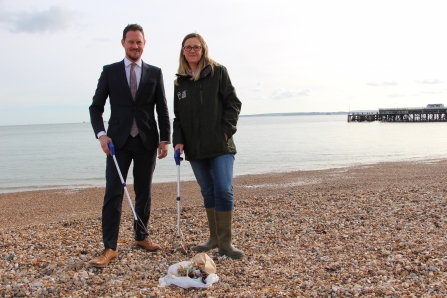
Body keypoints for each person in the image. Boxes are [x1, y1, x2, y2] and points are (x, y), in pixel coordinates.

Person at [89, 24, 171, 267]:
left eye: (139, 42)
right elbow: (96, 107)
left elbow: (162, 109)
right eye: (131, 42)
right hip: (118, 143)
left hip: (147, 141)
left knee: (143, 191)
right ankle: (110, 247)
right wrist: (101, 135)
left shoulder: (155, 73)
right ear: (123, 43)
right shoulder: (110, 71)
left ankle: (141, 236)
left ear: (144, 44)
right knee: (113, 192)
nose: (135, 46)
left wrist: (164, 139)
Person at [172, 33, 244, 259]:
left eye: (196, 47)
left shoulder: (218, 72)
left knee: (224, 189)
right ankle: (214, 238)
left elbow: (233, 103)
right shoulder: (180, 82)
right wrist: (178, 140)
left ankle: (226, 243)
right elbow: (178, 118)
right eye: (188, 47)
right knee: (208, 192)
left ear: (203, 49)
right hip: (196, 149)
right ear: (183, 51)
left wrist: (225, 130)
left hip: (220, 145)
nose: (192, 50)